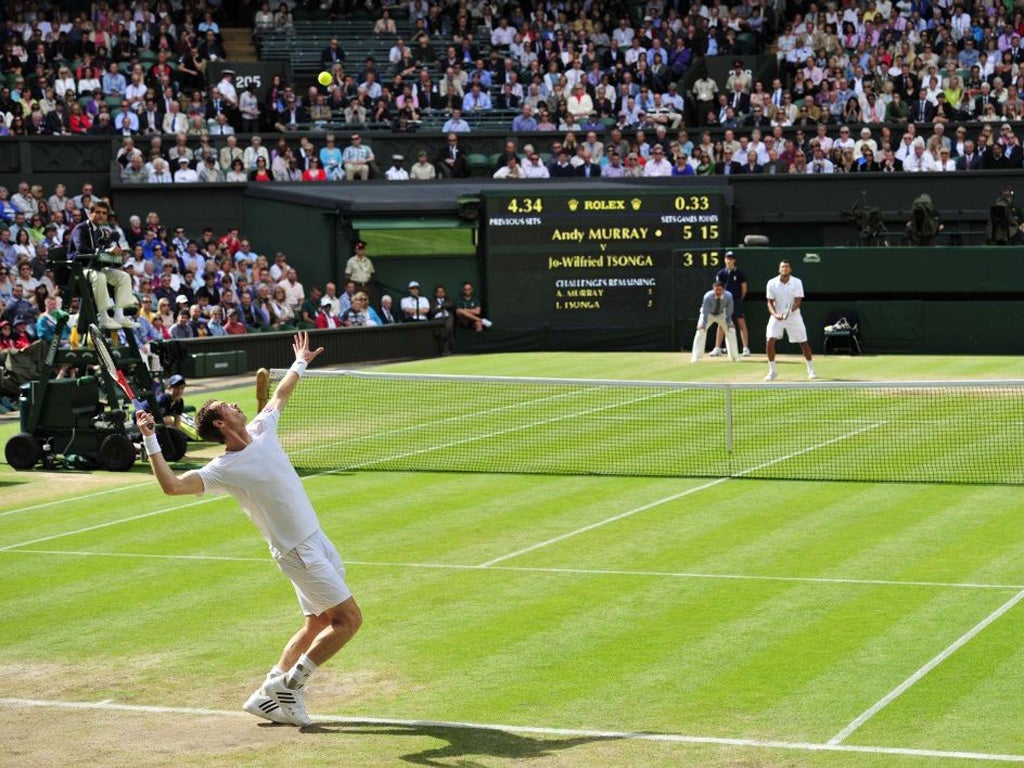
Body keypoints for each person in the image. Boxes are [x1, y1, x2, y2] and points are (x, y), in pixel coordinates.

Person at [135, 332, 361, 728]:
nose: (239, 404)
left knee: (318, 623)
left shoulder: (261, 429)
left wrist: (300, 361)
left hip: (315, 540)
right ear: (222, 422)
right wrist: (151, 438)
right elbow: (172, 486)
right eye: (229, 406)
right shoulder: (222, 470)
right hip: (298, 551)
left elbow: (281, 394)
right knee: (349, 620)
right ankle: (291, 685)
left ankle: (267, 693)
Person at [67, 200, 138, 330]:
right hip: (78, 270)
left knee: (123, 276)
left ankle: (119, 315)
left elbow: (102, 257)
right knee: (100, 277)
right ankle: (104, 317)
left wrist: (116, 256)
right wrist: (107, 252)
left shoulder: (101, 231)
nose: (101, 216)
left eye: (104, 213)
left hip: (95, 268)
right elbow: (82, 251)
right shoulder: (81, 229)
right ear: (90, 213)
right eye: (98, 212)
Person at [765, 260, 815, 380]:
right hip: (777, 317)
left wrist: (789, 312)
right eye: (782, 267)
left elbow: (798, 300)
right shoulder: (771, 283)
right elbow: (770, 302)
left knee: (803, 342)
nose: (784, 269)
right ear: (779, 269)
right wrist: (776, 315)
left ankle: (811, 369)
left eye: (787, 267)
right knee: (769, 341)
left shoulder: (797, 282)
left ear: (790, 269)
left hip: (794, 316)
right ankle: (772, 371)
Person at [713, 251, 750, 356]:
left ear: (734, 260)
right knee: (721, 324)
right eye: (727, 258)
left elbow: (744, 289)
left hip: (737, 301)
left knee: (741, 323)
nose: (729, 260)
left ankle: (745, 348)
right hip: (724, 302)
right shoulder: (721, 273)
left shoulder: (739, 273)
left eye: (731, 258)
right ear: (725, 260)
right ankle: (717, 348)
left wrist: (738, 299)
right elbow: (718, 288)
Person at [691, 281, 738, 362]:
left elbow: (729, 311)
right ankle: (696, 357)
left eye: (720, 290)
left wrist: (729, 323)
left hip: (721, 314)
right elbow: (705, 312)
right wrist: (703, 324)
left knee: (731, 330)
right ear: (713, 289)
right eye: (716, 290)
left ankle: (734, 356)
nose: (718, 292)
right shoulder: (708, 296)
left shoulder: (729, 296)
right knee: (700, 331)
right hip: (708, 314)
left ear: (723, 289)